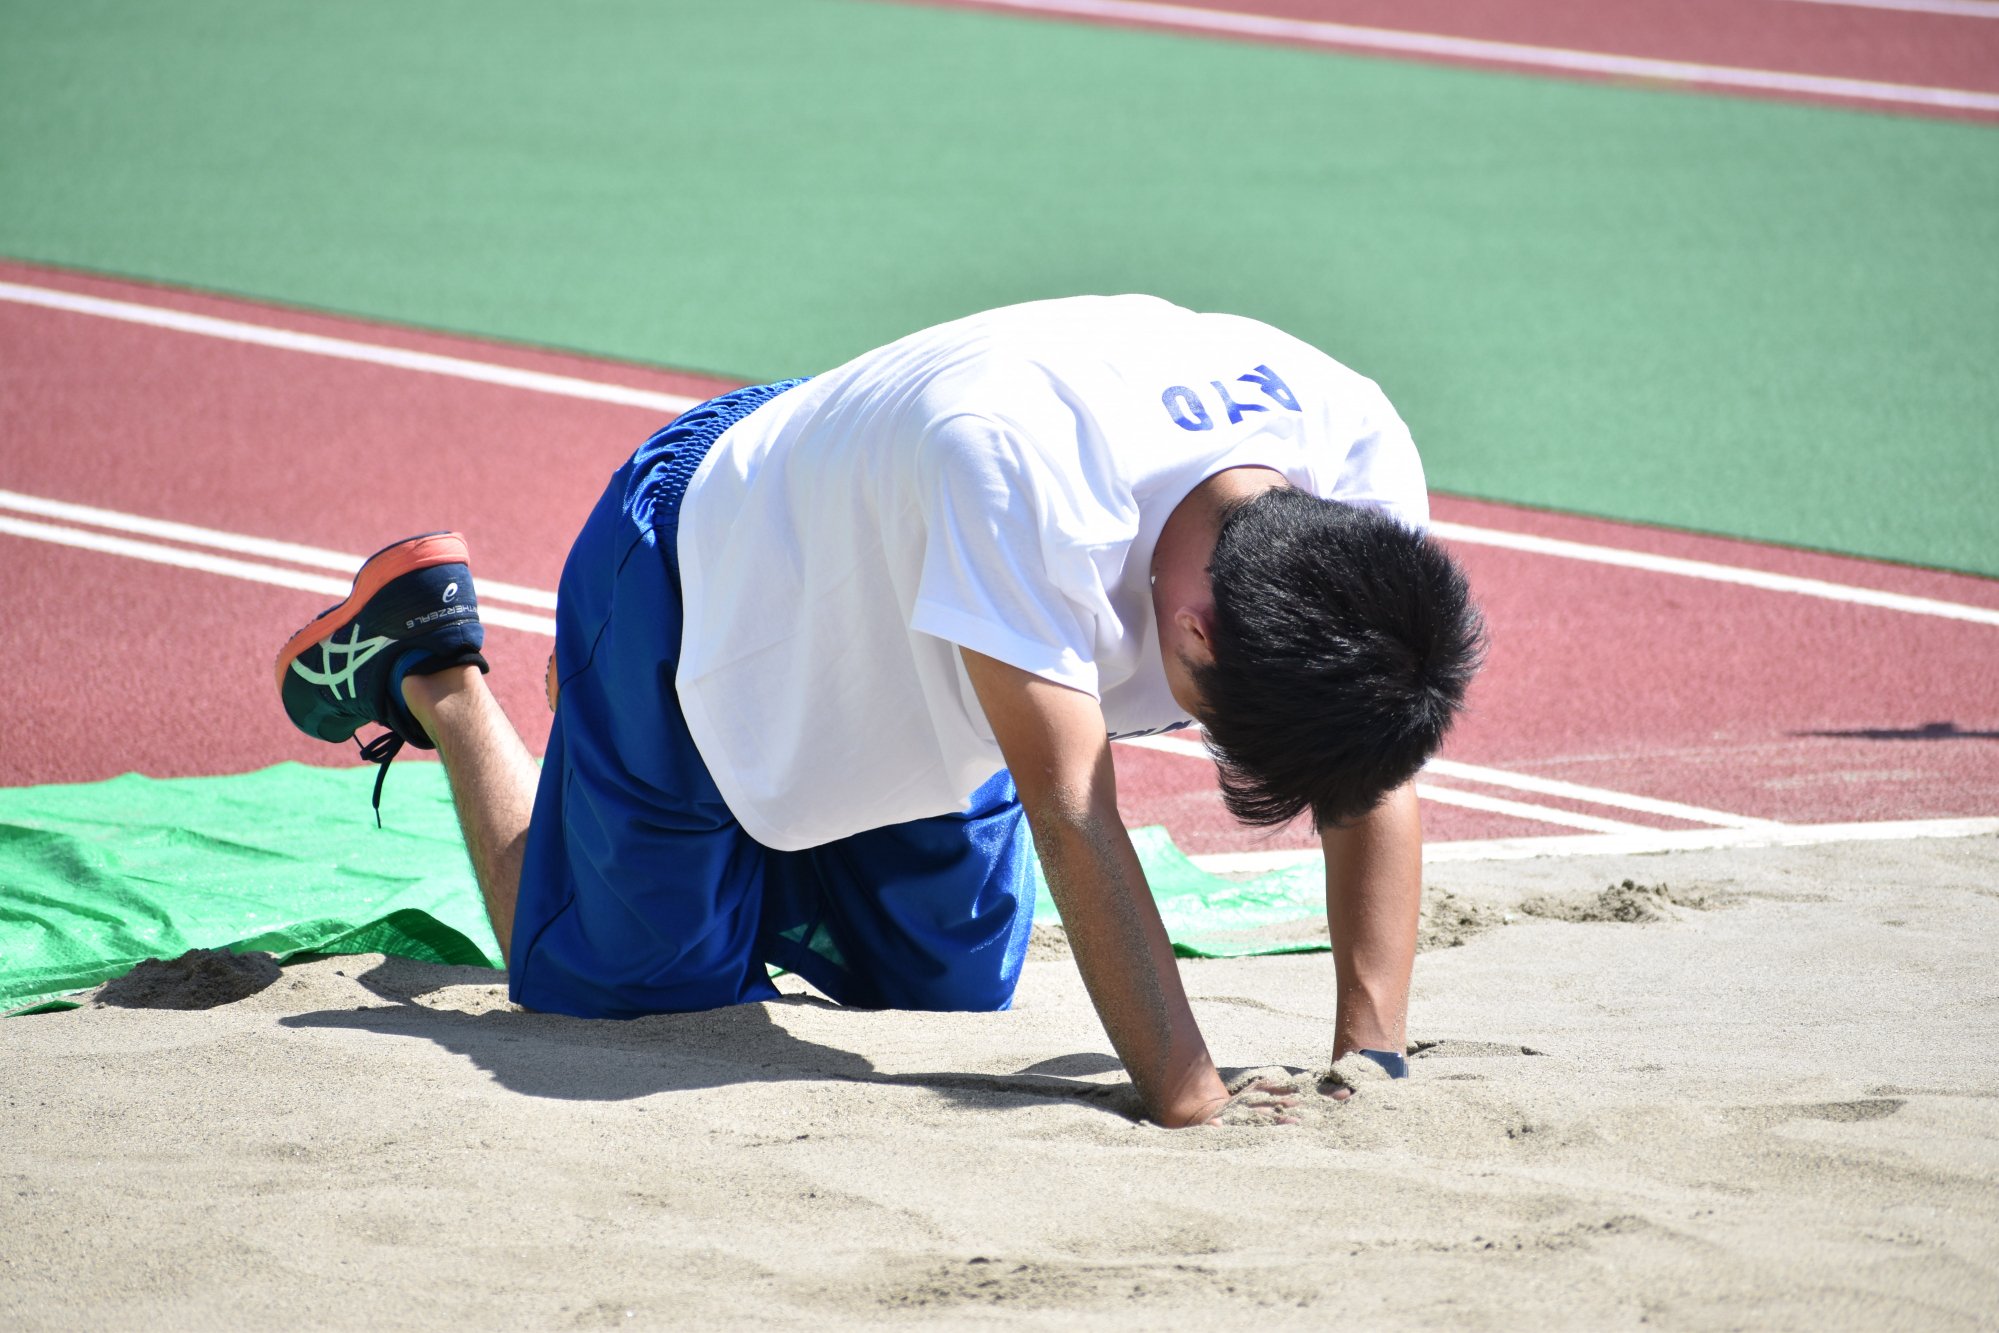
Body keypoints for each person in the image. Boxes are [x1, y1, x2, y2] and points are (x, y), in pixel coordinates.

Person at [274, 295, 1484, 1128]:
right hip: (707, 572)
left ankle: (648, 793)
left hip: (916, 604)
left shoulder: (1359, 462)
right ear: (1194, 631)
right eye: (1214, 722)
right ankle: (446, 677)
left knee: (944, 984)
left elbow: (1369, 768)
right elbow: (1071, 807)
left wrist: (1368, 1056)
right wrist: (1189, 1095)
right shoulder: (1027, 479)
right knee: (623, 990)